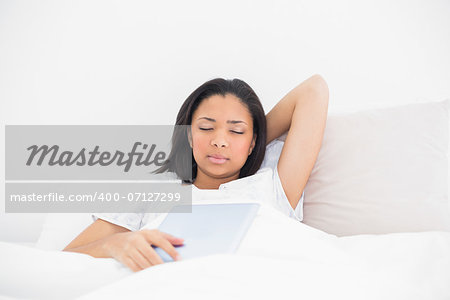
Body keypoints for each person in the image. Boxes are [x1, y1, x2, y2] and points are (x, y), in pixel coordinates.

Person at [63, 75, 329, 272]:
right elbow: (66, 256)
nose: (220, 141)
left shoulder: (273, 184)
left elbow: (313, 90)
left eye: (236, 131)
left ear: (253, 141)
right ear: (188, 135)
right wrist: (115, 244)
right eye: (206, 128)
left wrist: (252, 147)